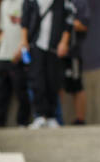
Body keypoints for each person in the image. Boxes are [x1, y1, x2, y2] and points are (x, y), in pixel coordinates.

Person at [21, 0, 72, 128]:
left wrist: (64, 42)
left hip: (53, 47)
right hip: (35, 45)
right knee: (37, 80)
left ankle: (51, 116)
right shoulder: (30, 1)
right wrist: (24, 41)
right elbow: (25, 21)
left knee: (52, 80)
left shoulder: (63, 2)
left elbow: (68, 21)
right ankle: (39, 115)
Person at [0, 0, 31, 127]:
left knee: (21, 89)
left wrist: (22, 47)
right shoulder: (5, 4)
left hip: (18, 54)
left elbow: (29, 28)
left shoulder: (26, 3)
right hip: (3, 54)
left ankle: (23, 122)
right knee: (0, 90)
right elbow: (5, 29)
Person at [62, 0, 89, 125]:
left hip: (73, 52)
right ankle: (55, 117)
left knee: (76, 85)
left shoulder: (80, 3)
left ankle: (80, 119)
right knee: (57, 85)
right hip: (55, 52)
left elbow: (84, 25)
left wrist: (70, 23)